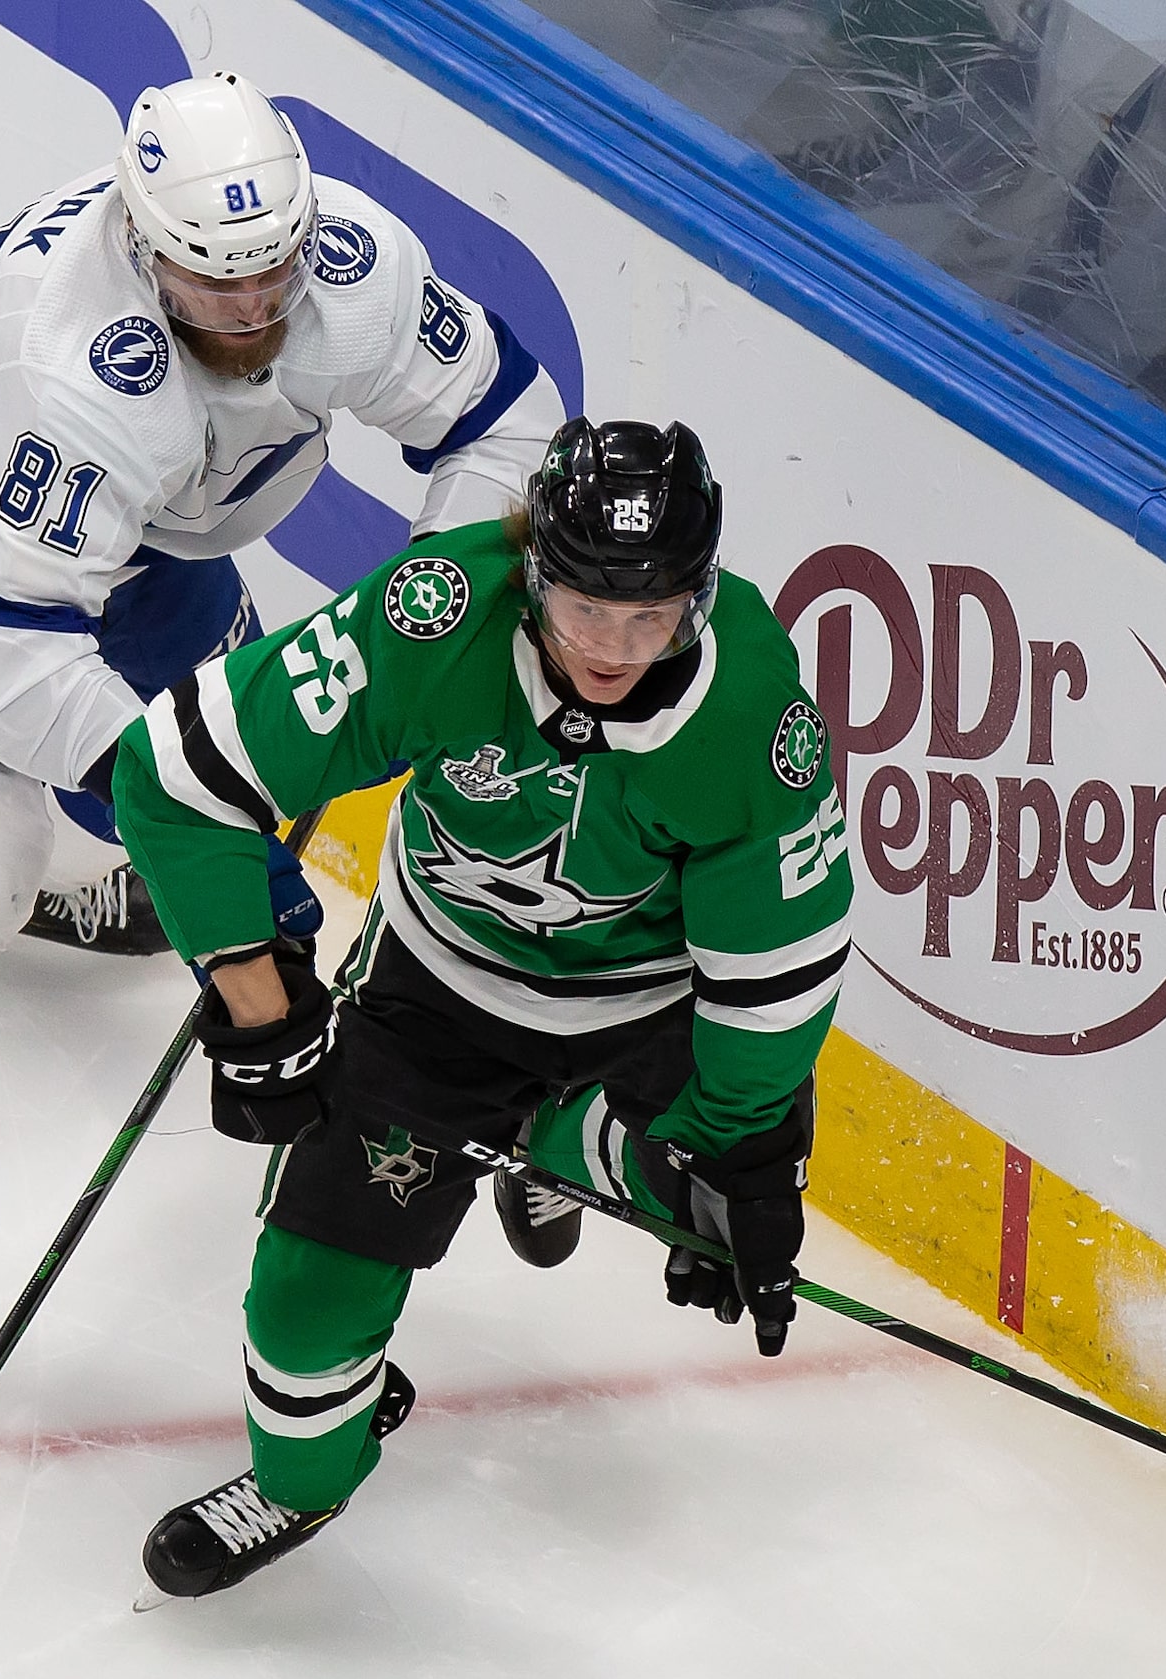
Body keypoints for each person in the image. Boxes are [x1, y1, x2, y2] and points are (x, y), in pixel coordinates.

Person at [0, 72, 566, 1378]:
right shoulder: (74, 364)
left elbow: (504, 423)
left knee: (219, 825)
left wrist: (430, 622)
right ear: (141, 248)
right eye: (211, 282)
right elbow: (13, 662)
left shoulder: (347, 271)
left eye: (272, 272)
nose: (252, 313)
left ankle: (88, 883)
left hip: (138, 537)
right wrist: (196, 807)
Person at [109, 418, 856, 1599]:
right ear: (533, 579)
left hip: (643, 1017)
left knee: (714, 1203)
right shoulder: (434, 616)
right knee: (305, 1312)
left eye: (650, 616)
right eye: (584, 611)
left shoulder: (754, 715)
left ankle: (561, 1150)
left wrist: (751, 1158)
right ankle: (306, 1480)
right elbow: (176, 774)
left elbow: (781, 962)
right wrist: (261, 1010)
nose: (613, 648)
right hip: (438, 995)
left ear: (699, 601)